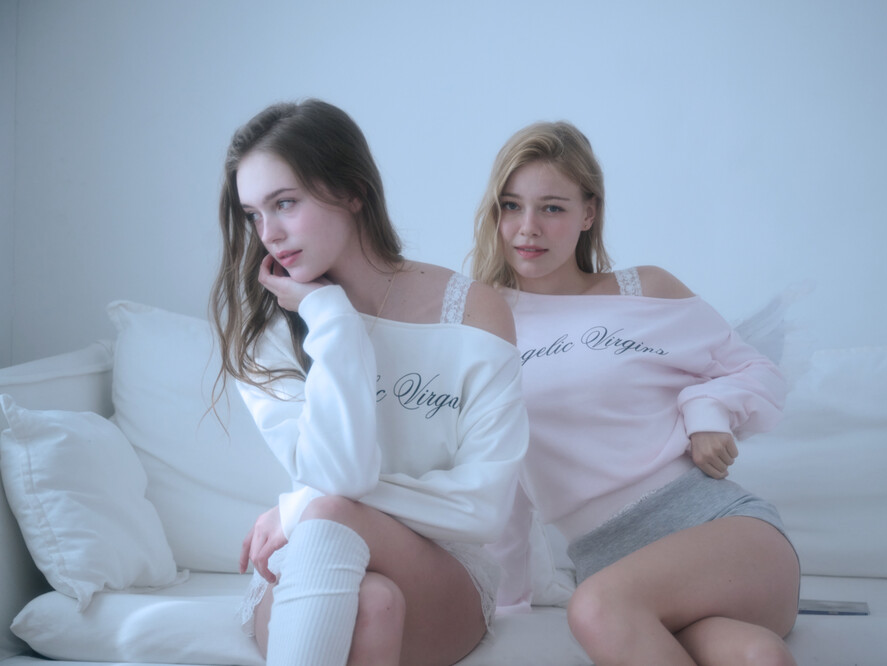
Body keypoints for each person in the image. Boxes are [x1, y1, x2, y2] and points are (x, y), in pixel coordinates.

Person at [210, 99, 528, 666]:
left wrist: (301, 506)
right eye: (253, 214)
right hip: (313, 558)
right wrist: (330, 319)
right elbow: (342, 475)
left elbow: (481, 510)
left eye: (285, 203)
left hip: (442, 572)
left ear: (353, 191)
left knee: (331, 515)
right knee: (372, 600)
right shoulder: (263, 333)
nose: (270, 234)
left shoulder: (472, 313)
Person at [471, 121, 800, 666]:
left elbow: (758, 370)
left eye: (552, 207)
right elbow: (498, 476)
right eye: (511, 206)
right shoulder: (487, 325)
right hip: (621, 576)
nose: (527, 228)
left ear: (588, 213)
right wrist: (502, 604)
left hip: (724, 534)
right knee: (755, 655)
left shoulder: (645, 290)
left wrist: (706, 407)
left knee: (595, 609)